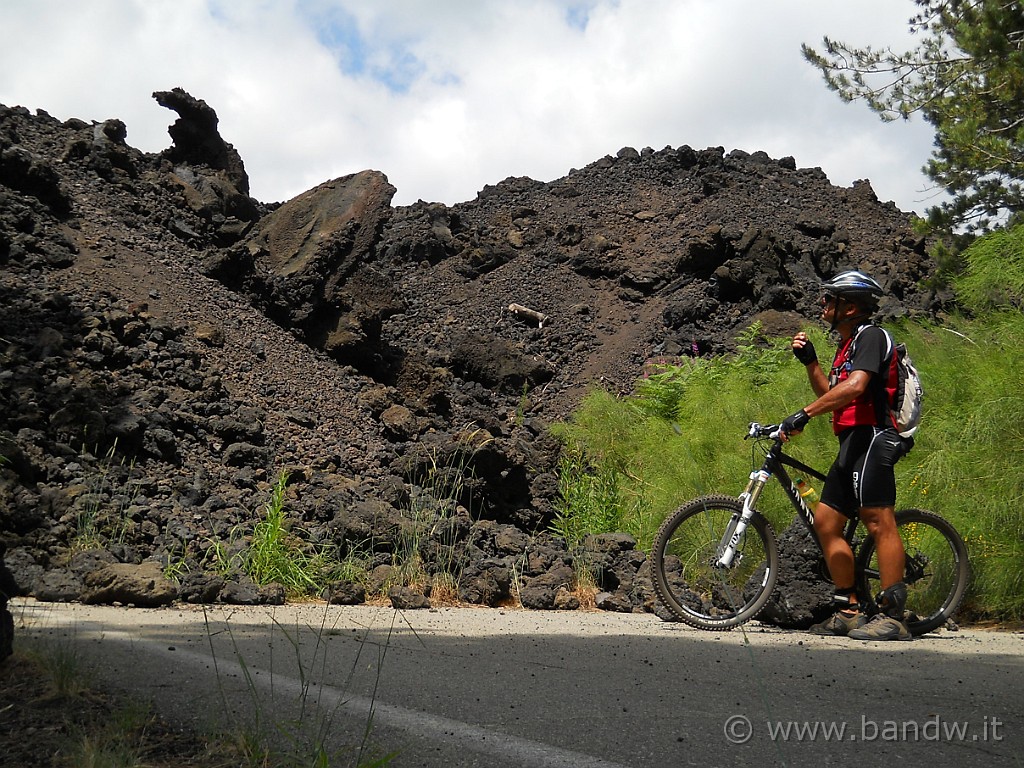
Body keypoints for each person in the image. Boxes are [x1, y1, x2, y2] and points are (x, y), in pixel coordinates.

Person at [779, 270, 911, 641]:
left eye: (829, 300)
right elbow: (834, 393)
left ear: (849, 307)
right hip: (852, 438)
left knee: (876, 518)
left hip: (876, 435)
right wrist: (811, 362)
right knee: (826, 523)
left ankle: (893, 616)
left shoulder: (871, 336)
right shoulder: (847, 345)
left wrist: (804, 413)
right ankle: (849, 609)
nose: (823, 304)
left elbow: (856, 387)